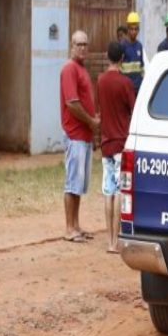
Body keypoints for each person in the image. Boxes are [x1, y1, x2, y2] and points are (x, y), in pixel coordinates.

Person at [60, 30, 100, 243]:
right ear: (71, 45)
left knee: (79, 184)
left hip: (84, 135)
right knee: (72, 182)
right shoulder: (69, 69)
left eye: (85, 44)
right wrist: (91, 121)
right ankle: (69, 228)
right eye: (79, 44)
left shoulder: (82, 69)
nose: (82, 47)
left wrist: (92, 129)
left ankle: (76, 225)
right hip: (75, 134)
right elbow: (72, 103)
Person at [97, 41, 136, 254]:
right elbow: (134, 109)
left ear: (107, 56)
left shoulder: (101, 81)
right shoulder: (126, 83)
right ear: (122, 58)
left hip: (106, 143)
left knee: (107, 191)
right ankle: (117, 239)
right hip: (122, 142)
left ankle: (109, 241)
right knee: (120, 190)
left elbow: (100, 111)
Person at [121, 11, 144, 93]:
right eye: (131, 29)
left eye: (136, 29)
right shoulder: (123, 45)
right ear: (128, 29)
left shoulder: (140, 46)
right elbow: (119, 66)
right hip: (126, 88)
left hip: (138, 87)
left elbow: (142, 67)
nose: (134, 32)